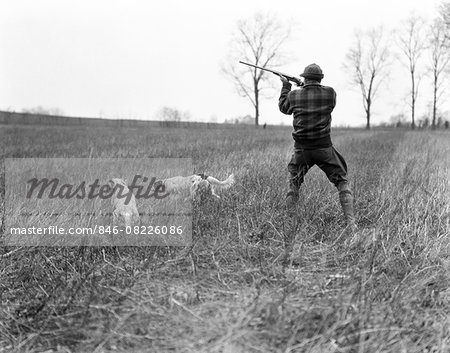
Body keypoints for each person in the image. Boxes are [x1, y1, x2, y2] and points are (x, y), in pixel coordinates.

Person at [278, 63, 356, 229]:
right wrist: (305, 86)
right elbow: (321, 98)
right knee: (342, 182)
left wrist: (286, 85)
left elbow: (283, 108)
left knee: (294, 183)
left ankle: (287, 225)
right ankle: (351, 224)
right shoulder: (330, 93)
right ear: (320, 79)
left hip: (302, 150)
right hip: (324, 149)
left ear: (304, 78)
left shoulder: (294, 95)